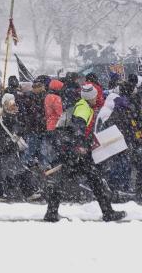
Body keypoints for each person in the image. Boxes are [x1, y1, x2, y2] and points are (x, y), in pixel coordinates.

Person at [44, 83, 125, 222]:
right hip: (76, 154)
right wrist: (80, 146)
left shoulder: (82, 105)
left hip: (73, 152)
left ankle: (51, 213)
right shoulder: (83, 108)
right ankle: (108, 212)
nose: (96, 98)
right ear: (90, 97)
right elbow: (78, 128)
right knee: (92, 181)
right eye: (95, 96)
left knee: (89, 181)